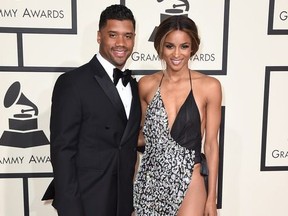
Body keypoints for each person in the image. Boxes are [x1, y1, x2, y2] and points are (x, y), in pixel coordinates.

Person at [42, 4, 141, 216]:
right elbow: (62, 151)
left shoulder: (133, 85)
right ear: (99, 36)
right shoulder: (72, 83)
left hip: (122, 204)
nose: (121, 43)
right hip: (86, 202)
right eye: (113, 35)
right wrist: (70, 210)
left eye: (128, 36)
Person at [133, 15, 222, 216]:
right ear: (160, 47)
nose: (177, 53)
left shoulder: (209, 86)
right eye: (170, 46)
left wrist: (211, 200)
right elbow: (139, 136)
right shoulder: (146, 85)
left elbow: (211, 145)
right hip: (151, 181)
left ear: (193, 48)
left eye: (184, 46)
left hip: (190, 179)